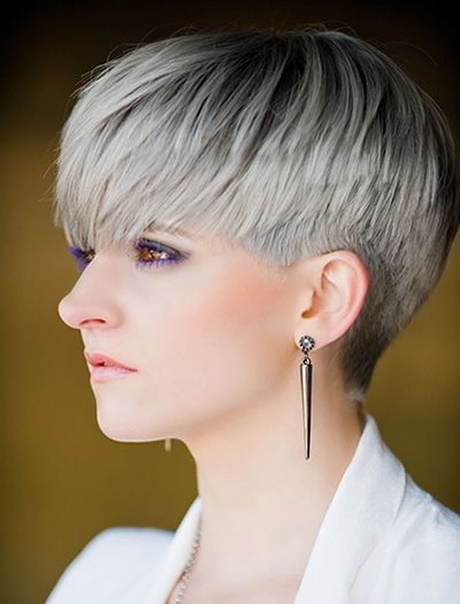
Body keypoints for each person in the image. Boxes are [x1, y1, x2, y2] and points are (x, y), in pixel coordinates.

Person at [45, 27, 460, 604]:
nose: (75, 306)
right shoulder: (100, 580)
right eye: (87, 255)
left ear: (321, 299)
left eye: (156, 252)